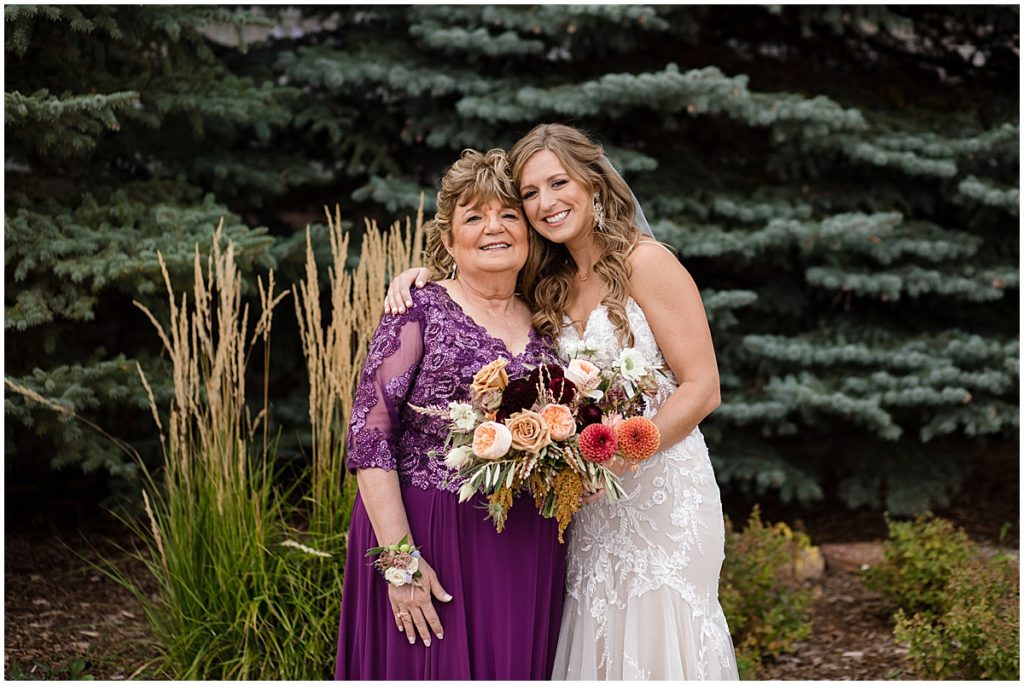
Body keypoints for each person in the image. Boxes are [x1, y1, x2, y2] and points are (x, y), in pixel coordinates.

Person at [384, 124, 738, 680]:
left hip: (661, 495)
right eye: (530, 193)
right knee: (596, 645)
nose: (545, 203)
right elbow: (481, 281)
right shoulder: (546, 283)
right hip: (587, 507)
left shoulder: (646, 263)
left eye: (558, 183)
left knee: (663, 644)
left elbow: (703, 387)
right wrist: (427, 276)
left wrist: (622, 452)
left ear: (592, 183)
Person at [335, 148, 566, 680]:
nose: (495, 228)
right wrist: (399, 561)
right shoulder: (417, 309)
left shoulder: (550, 315)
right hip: (426, 532)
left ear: (529, 234)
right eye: (474, 216)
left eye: (509, 214)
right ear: (448, 240)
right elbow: (370, 436)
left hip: (525, 539)